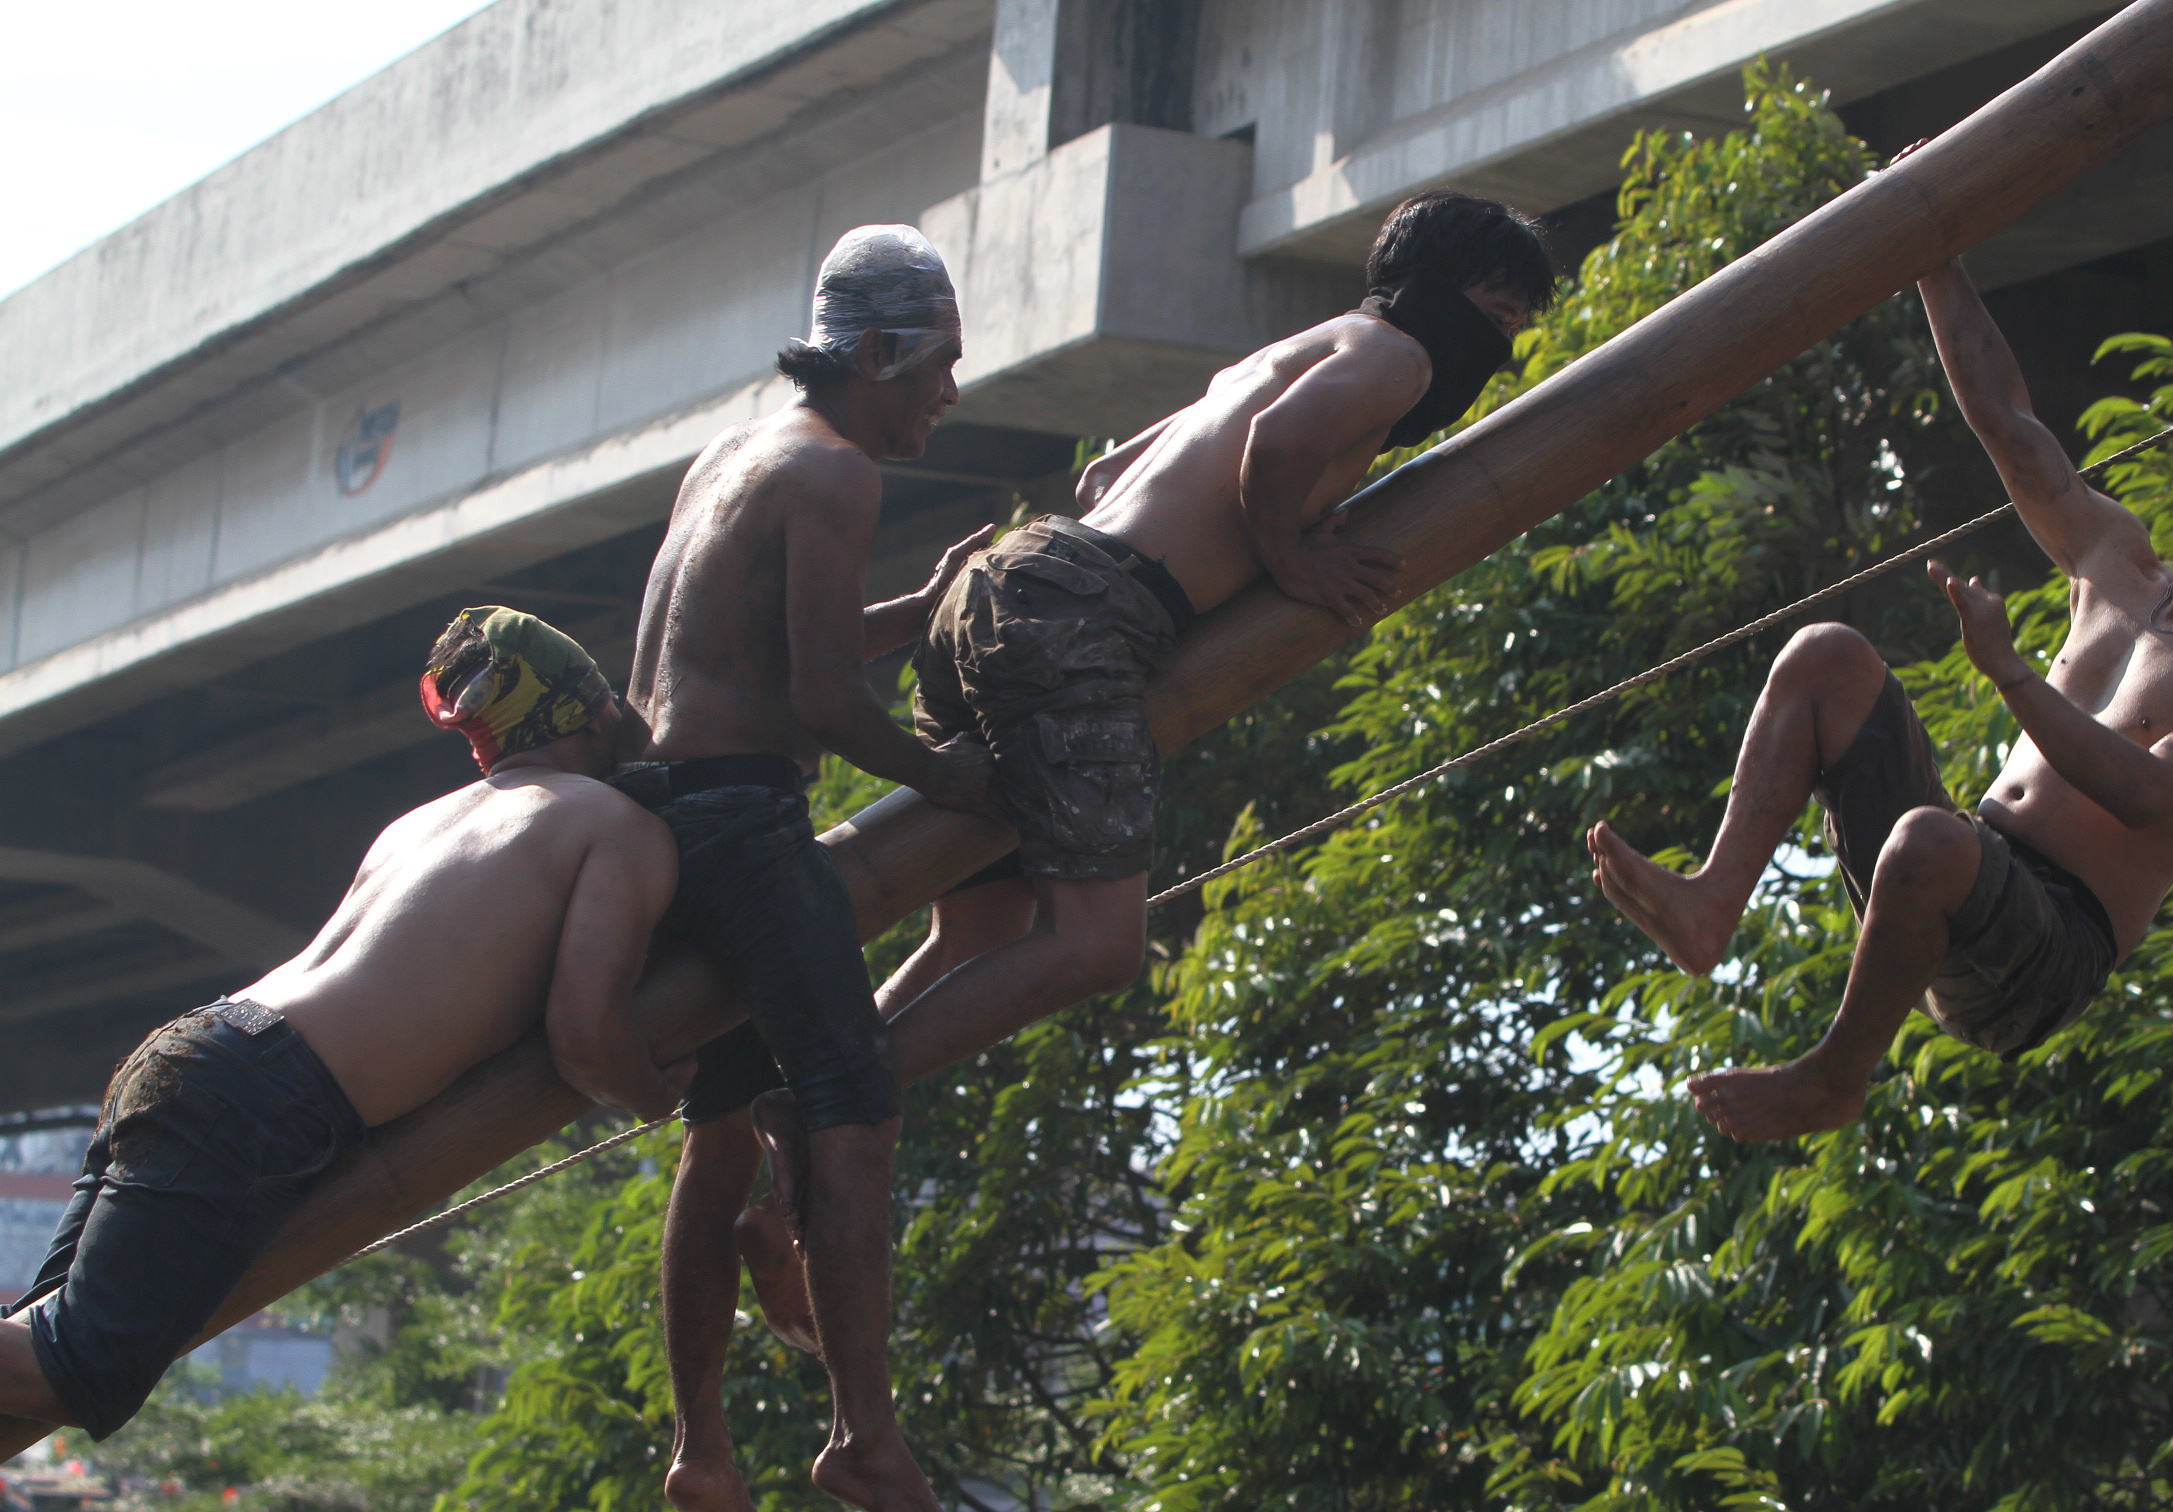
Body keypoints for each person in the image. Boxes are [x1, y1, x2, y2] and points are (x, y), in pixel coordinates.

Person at [1586, 238, 2173, 1141]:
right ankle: (1710, 905)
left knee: (1932, 837)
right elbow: (2007, 421)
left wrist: (2010, 673)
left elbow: (2145, 793)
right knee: (1828, 655)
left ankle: (1835, 1079)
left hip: (2046, 954)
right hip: (1953, 879)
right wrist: (1933, 254)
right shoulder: (2115, 560)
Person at [878, 188, 1557, 1085]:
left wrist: (1266, 522)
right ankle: (832, 1095)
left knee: (978, 930)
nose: (1498, 350)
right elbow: (1274, 446)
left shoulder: (1281, 355)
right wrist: (1290, 559)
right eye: (1499, 318)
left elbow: (1101, 476)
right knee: (1098, 946)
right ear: (1442, 287)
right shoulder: (1399, 356)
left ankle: (804, 1110)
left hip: (1006, 584)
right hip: (1084, 614)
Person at [0, 608, 681, 1445]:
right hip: (256, 1096)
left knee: (35, 1346)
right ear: (596, 712)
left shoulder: (422, 822)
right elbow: (586, 1036)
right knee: (70, 1368)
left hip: (203, 1049)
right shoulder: (617, 828)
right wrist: (657, 1091)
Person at [624, 223, 994, 1512]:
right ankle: (862, 1437)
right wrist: (953, 779)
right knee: (854, 1104)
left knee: (717, 1133)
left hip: (666, 813)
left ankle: (702, 1451)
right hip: (742, 822)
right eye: (941, 362)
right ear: (881, 353)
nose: (952, 390)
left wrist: (923, 605)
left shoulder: (738, 453)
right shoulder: (838, 473)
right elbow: (826, 702)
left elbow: (766, 654)